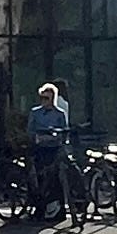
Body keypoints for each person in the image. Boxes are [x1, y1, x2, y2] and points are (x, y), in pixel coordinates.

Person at [25, 79, 71, 222]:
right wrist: (37, 137)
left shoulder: (59, 113)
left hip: (54, 148)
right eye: (42, 98)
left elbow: (65, 131)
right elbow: (30, 130)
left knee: (56, 178)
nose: (44, 101)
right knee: (39, 177)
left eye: (47, 98)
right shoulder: (35, 112)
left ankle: (58, 209)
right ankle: (39, 208)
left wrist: (58, 137)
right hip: (40, 147)